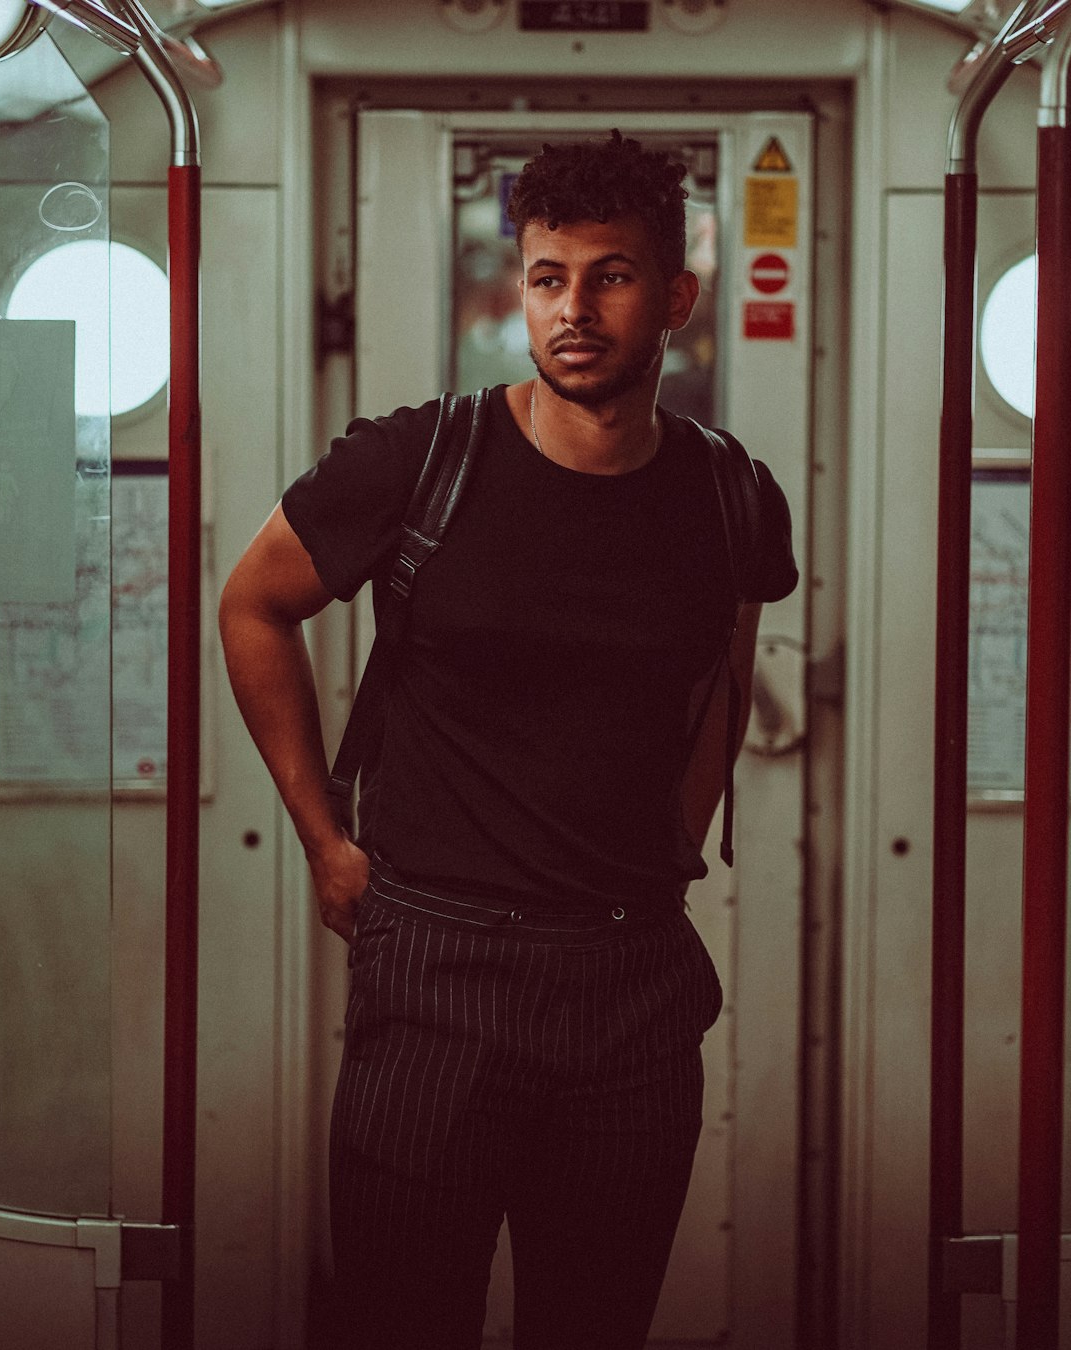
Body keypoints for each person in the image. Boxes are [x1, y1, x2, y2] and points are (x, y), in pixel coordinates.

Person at [219, 130, 797, 1350]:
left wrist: (672, 847)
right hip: (437, 971)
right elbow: (253, 604)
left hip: (634, 991)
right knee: (400, 1323)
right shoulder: (420, 459)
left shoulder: (730, 492)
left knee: (594, 1327)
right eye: (547, 277)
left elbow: (724, 670)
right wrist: (326, 838)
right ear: (519, 288)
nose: (573, 309)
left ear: (677, 297)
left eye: (611, 275)